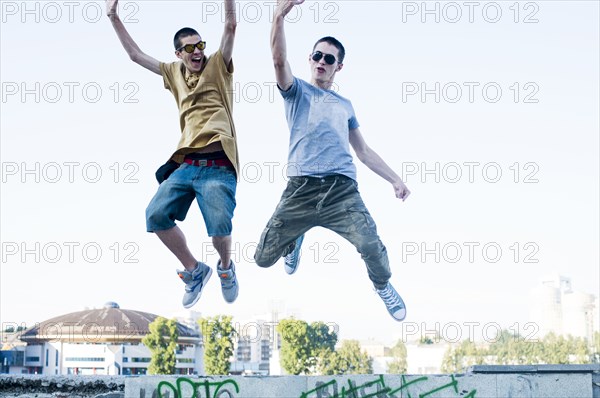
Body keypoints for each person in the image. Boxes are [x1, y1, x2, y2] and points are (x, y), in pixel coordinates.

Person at [254, 0, 411, 321]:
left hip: (342, 192)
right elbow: (278, 58)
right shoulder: (295, 91)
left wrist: (395, 179)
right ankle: (291, 241)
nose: (321, 62)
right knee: (262, 259)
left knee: (371, 245)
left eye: (329, 58)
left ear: (338, 66)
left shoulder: (345, 105)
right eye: (317, 56)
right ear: (309, 60)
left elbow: (363, 151)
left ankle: (382, 286)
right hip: (301, 190)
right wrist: (278, 15)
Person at [106, 0, 239, 308]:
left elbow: (231, 26)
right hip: (186, 165)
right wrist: (113, 16)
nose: (197, 53)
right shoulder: (172, 72)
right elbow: (135, 55)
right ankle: (195, 270)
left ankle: (225, 268)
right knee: (154, 215)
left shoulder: (218, 66)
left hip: (219, 166)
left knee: (219, 228)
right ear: (179, 54)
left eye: (200, 46)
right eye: (189, 48)